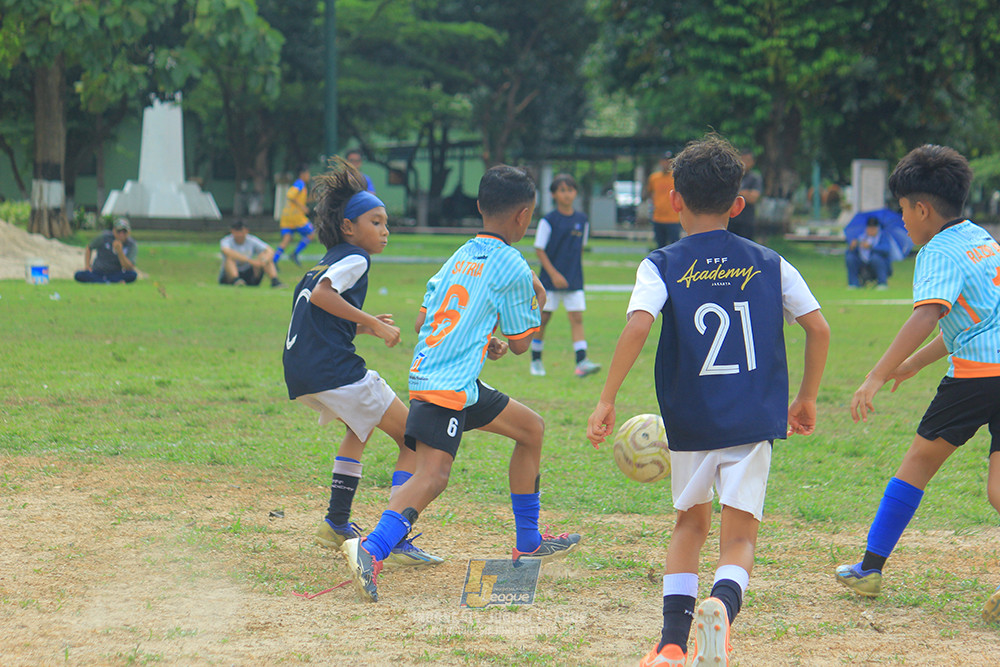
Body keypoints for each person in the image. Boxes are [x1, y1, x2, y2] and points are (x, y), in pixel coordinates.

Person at [586, 134, 829, 667]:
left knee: (690, 526)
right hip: (753, 418)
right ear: (739, 204)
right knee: (739, 537)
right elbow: (818, 327)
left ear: (674, 198)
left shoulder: (662, 263)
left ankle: (671, 645)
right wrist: (807, 397)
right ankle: (719, 605)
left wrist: (606, 399)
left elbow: (638, 325)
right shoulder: (770, 261)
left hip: (691, 420)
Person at [342, 165, 582, 602]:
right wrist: (538, 299)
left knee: (531, 429)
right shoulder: (512, 263)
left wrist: (483, 339)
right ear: (524, 216)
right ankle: (370, 548)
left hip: (443, 375)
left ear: (479, 207)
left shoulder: (461, 253)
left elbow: (424, 318)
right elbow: (524, 343)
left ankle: (528, 540)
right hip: (447, 385)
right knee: (434, 475)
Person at [836, 144, 1000, 626]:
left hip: (978, 378)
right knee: (997, 490)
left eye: (904, 209)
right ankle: (868, 567)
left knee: (915, 466)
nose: (902, 220)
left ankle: (869, 569)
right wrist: (912, 365)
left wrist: (877, 374)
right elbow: (976, 322)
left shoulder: (936, 252)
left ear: (923, 208)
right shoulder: (981, 239)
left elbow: (929, 316)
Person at [282, 157, 442, 568]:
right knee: (414, 442)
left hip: (304, 368)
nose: (385, 230)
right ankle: (397, 536)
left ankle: (336, 522)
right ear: (349, 227)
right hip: (335, 371)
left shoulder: (325, 259)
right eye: (376, 221)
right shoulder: (355, 259)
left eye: (386, 222)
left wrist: (363, 329)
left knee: (360, 429)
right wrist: (372, 321)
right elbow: (322, 296)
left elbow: (318, 316)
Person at [529, 173, 601, 378]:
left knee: (576, 318)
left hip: (574, 279)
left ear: (575, 193)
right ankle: (536, 360)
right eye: (562, 190)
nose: (567, 194)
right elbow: (539, 249)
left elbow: (580, 248)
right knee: (543, 318)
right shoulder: (548, 221)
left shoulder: (582, 220)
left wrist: (570, 272)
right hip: (550, 281)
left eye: (570, 190)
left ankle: (581, 362)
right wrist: (554, 274)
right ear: (553, 194)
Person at [219, 220, 284, 288]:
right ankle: (236, 279)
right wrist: (251, 261)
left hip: (249, 272)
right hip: (229, 275)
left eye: (241, 232)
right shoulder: (226, 241)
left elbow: (269, 250)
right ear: (232, 231)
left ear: (246, 231)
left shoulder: (251, 240)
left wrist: (264, 260)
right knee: (230, 258)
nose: (239, 235)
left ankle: (274, 280)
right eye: (237, 232)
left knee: (264, 255)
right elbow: (227, 251)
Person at [74, 218, 138, 284]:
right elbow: (89, 247)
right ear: (114, 230)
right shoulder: (104, 237)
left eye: (124, 232)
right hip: (98, 271)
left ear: (128, 232)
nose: (121, 234)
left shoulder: (131, 244)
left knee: (132, 275)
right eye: (119, 231)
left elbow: (129, 267)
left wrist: (120, 252)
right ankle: (110, 282)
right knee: (79, 275)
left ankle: (103, 281)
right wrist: (87, 265)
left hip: (115, 273)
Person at [275, 165, 314, 267]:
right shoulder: (299, 183)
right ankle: (295, 253)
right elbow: (290, 195)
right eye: (308, 174)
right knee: (311, 233)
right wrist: (303, 207)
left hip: (287, 216)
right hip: (296, 217)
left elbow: (298, 199)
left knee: (286, 239)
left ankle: (274, 260)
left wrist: (310, 199)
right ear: (303, 174)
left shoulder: (301, 186)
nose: (309, 176)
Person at [644, 151, 681, 248]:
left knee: (674, 246)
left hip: (673, 218)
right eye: (664, 161)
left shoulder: (676, 177)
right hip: (658, 217)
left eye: (668, 161)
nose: (666, 164)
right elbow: (649, 193)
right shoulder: (654, 178)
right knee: (660, 246)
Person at [845, 216, 893, 290]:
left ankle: (882, 283)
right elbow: (851, 252)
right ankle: (853, 283)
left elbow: (886, 250)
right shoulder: (861, 237)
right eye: (869, 228)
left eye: (873, 228)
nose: (871, 230)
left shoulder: (883, 237)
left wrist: (871, 247)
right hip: (862, 264)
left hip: (877, 264)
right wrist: (852, 247)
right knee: (850, 258)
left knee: (876, 258)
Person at [728, 150, 762, 241]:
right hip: (730, 220)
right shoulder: (731, 176)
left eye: (747, 160)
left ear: (753, 162)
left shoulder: (755, 178)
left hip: (746, 221)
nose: (744, 162)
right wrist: (745, 193)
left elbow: (753, 198)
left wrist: (735, 192)